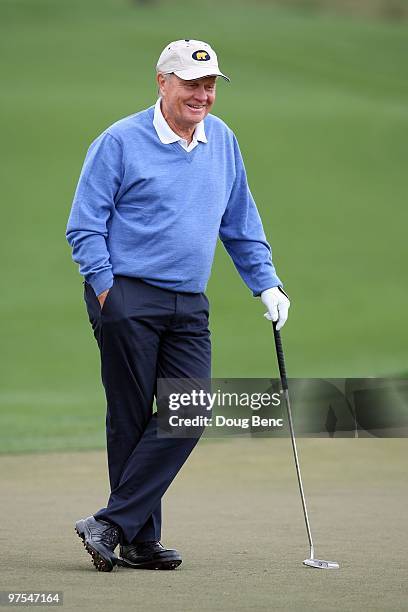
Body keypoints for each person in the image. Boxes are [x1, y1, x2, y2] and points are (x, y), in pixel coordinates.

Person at [66, 39, 290, 573]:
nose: (203, 94)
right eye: (192, 83)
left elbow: (240, 221)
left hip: (188, 301)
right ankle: (139, 543)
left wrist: (267, 283)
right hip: (126, 296)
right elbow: (84, 225)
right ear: (163, 82)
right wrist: (106, 291)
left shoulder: (223, 141)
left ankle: (111, 526)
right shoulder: (120, 140)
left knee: (186, 414)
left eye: (210, 84)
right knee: (131, 417)